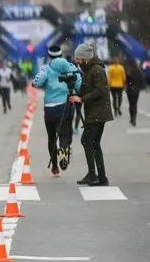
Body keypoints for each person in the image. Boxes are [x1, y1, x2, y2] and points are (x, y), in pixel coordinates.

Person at [32, 45, 82, 176]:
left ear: (50, 56)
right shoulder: (70, 67)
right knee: (64, 134)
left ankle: (54, 166)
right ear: (61, 55)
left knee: (51, 137)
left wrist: (38, 83)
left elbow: (37, 82)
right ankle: (63, 150)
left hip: (49, 107)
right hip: (65, 104)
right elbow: (79, 83)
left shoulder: (46, 68)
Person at [69, 42, 113, 186]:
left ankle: (93, 174)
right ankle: (101, 177)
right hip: (95, 111)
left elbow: (100, 91)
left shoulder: (96, 70)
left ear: (85, 57)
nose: (77, 61)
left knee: (87, 141)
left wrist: (81, 99)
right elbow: (86, 89)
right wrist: (75, 95)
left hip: (98, 112)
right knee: (93, 143)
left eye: (78, 58)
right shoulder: (88, 69)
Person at [124, 58, 144, 126]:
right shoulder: (138, 71)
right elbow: (141, 80)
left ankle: (131, 118)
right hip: (136, 90)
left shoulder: (128, 71)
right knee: (134, 104)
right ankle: (134, 118)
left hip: (129, 89)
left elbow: (126, 80)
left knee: (130, 104)